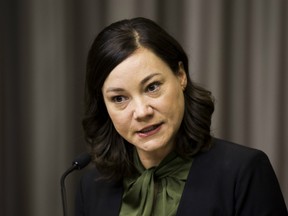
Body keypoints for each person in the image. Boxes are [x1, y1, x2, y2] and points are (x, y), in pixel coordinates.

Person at [76, 17, 287, 216]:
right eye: (119, 98)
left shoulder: (244, 172)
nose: (141, 112)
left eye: (152, 87)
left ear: (181, 75)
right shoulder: (91, 188)